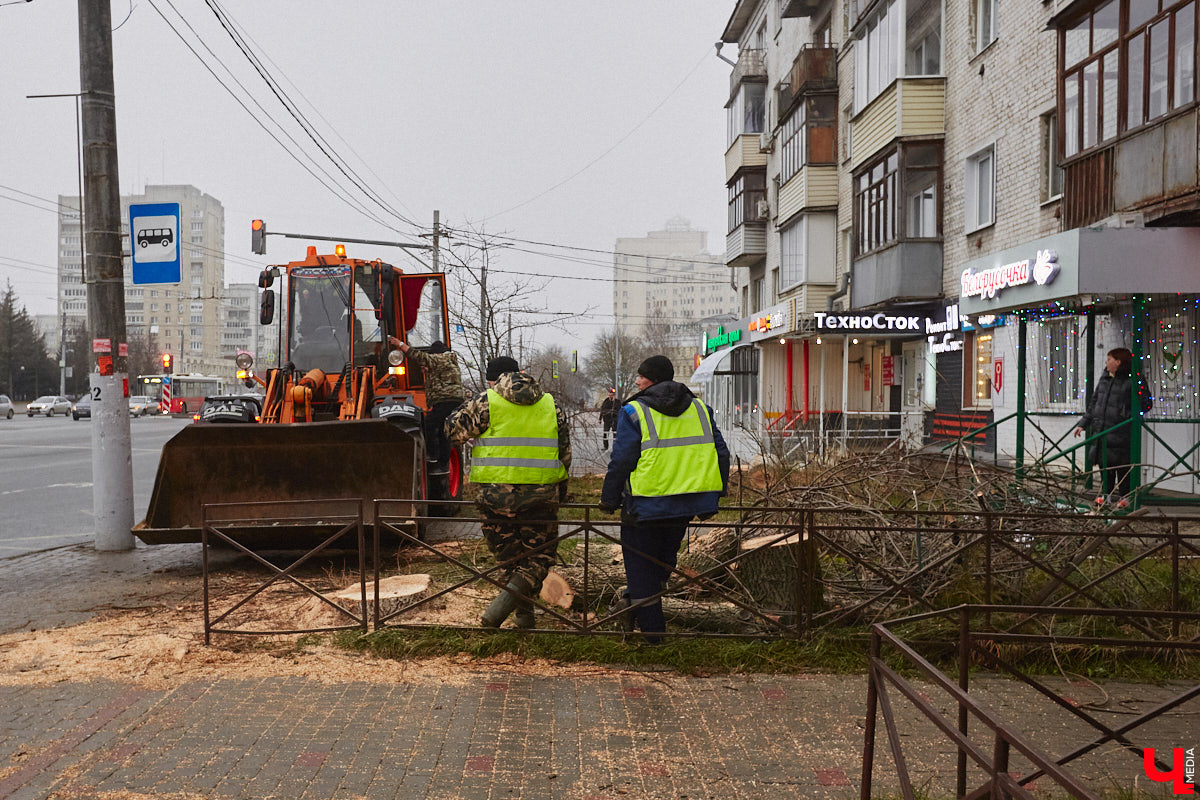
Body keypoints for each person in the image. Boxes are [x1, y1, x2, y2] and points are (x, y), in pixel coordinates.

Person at [598, 354, 730, 643]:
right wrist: (716, 492)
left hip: (645, 505)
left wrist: (609, 499)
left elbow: (620, 461)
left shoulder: (634, 411)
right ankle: (630, 610)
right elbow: (721, 453)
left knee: (641, 570)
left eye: (641, 376)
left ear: (653, 380)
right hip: (684, 505)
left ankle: (655, 640)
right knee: (660, 566)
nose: (636, 381)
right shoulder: (700, 408)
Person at [446, 355, 571, 628]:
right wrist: (560, 491)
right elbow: (564, 452)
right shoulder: (551, 405)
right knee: (538, 558)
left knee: (511, 560)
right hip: (541, 495)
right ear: (520, 373)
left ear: (492, 379)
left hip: (495, 497)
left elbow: (451, 431)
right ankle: (524, 619)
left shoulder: (485, 401)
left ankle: (498, 613)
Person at [1073, 347, 1152, 508]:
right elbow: (1094, 402)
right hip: (1102, 430)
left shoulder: (1134, 379)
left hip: (1122, 431)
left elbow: (1146, 403)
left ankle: (1125, 498)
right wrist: (1083, 423)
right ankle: (1105, 496)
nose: (1106, 363)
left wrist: (1127, 414)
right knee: (1105, 465)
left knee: (1122, 466)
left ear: (1118, 361)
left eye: (1109, 359)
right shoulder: (1105, 378)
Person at [388, 336, 464, 473]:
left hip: (444, 400)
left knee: (428, 424)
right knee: (443, 431)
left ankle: (432, 455)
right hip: (454, 400)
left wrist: (399, 343)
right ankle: (443, 464)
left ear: (435, 353)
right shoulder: (450, 361)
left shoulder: (438, 359)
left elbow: (417, 355)